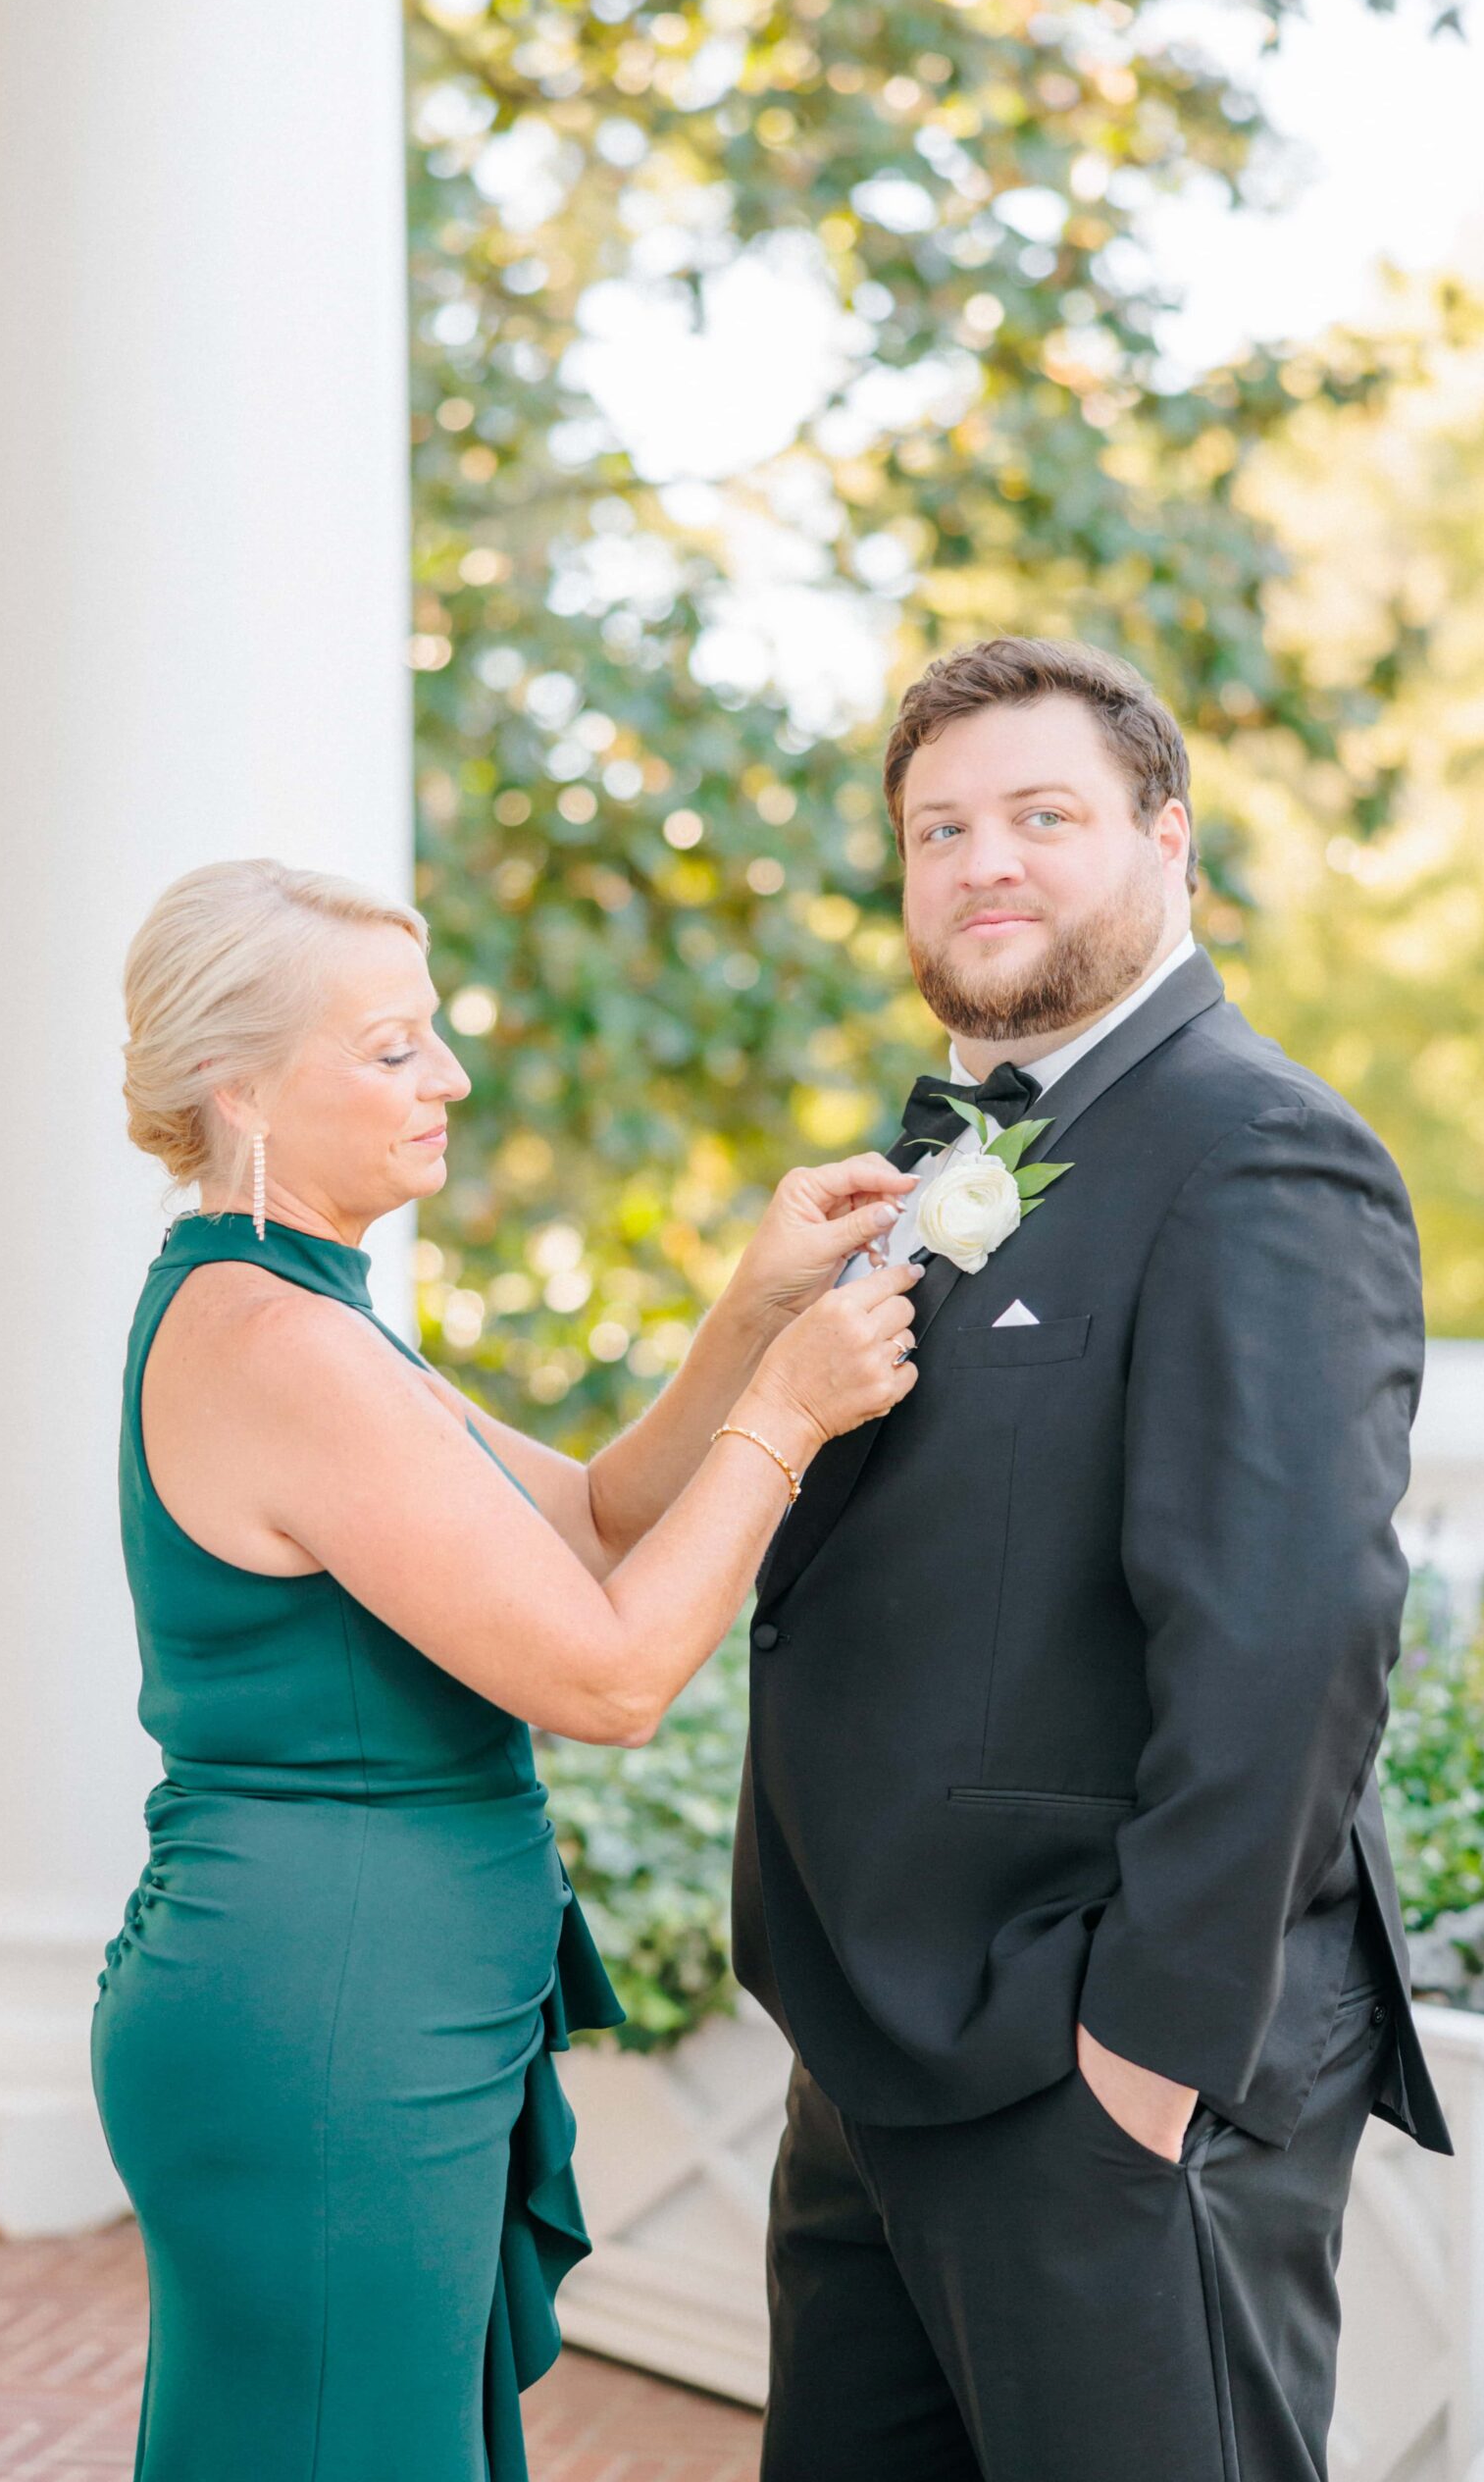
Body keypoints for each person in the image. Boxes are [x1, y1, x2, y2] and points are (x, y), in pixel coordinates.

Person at [91, 856, 921, 2482]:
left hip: (363, 2003)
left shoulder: (301, 1306)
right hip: (328, 2020)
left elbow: (601, 1522)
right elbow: (609, 1679)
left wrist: (753, 1315)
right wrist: (794, 1414)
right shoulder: (280, 1347)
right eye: (393, 1049)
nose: (450, 1078)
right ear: (240, 1090)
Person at [733, 636, 1453, 2482]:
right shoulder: (923, 1169)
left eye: (1043, 816)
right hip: (881, 2040)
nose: (985, 861)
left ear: (1168, 842)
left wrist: (1146, 2056)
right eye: (938, 827)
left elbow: (1290, 1633)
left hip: (1095, 2060)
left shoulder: (1265, 1154)